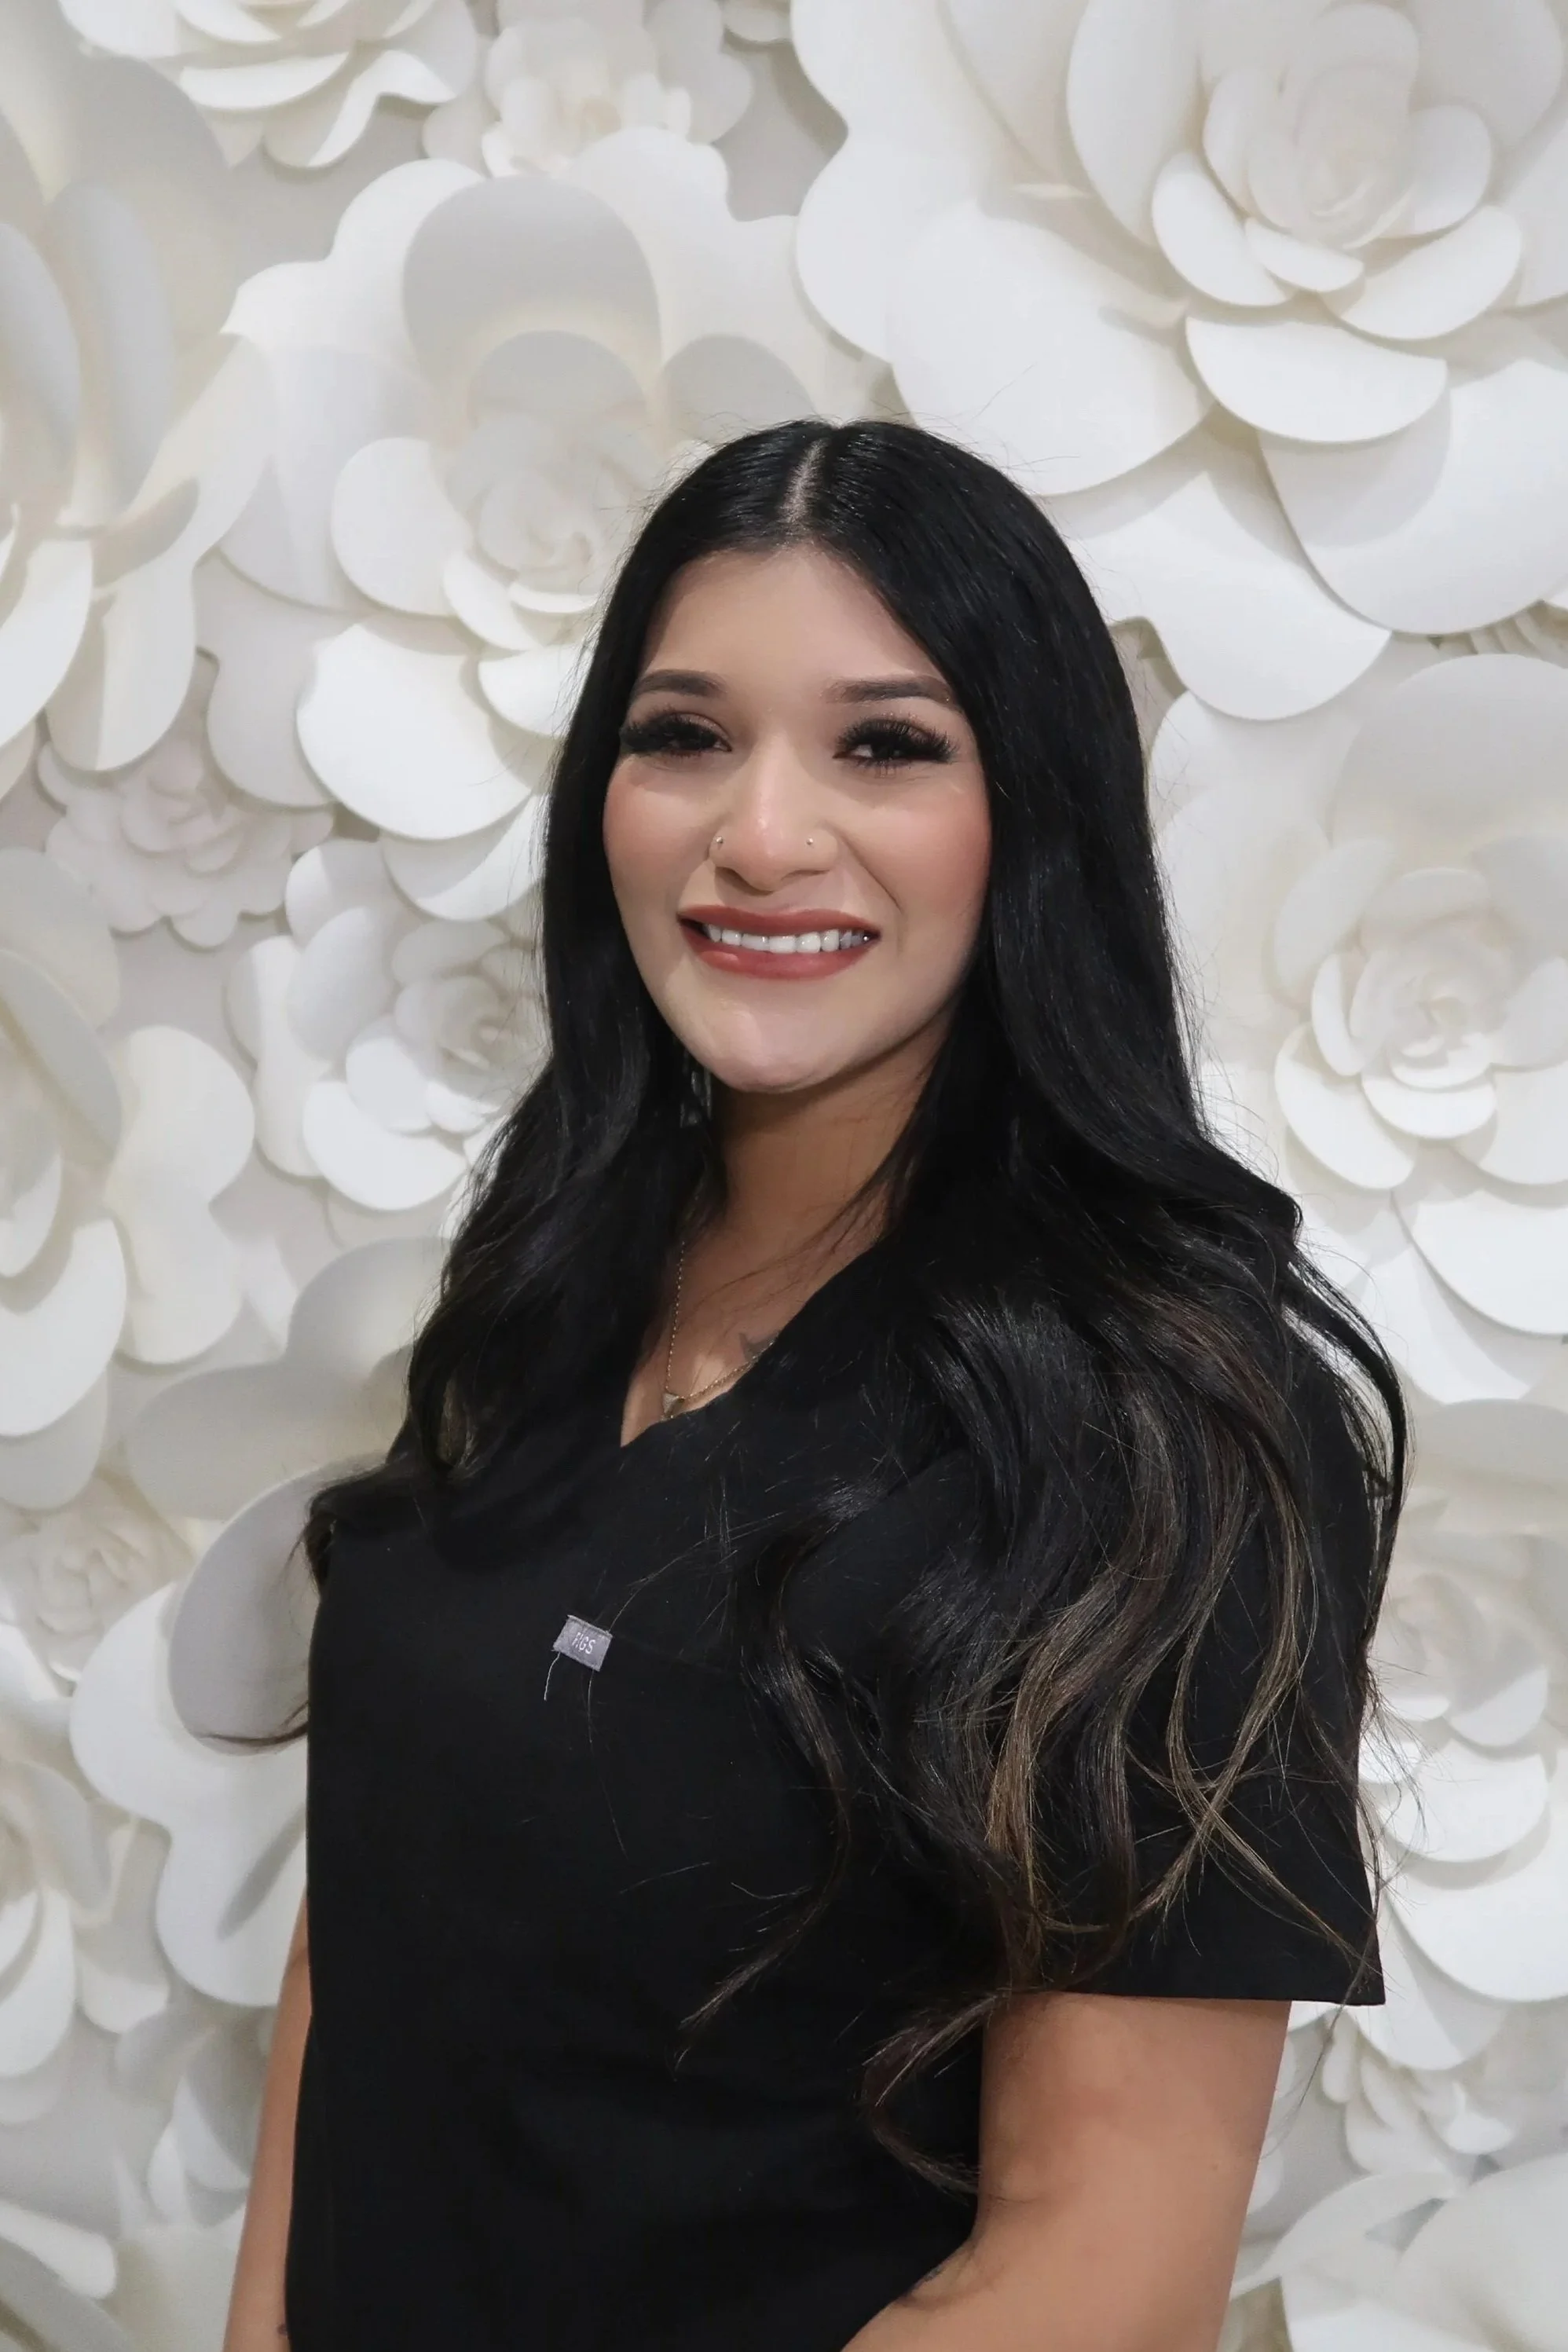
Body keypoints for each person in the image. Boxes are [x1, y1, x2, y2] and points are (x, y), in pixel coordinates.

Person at [223, 418, 1405, 2352]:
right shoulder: (548, 1283)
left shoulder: (1167, 1421)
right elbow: (358, 1953)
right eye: (682, 734)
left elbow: (1092, 2276)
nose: (759, 834)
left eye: (884, 744)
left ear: (1028, 812)